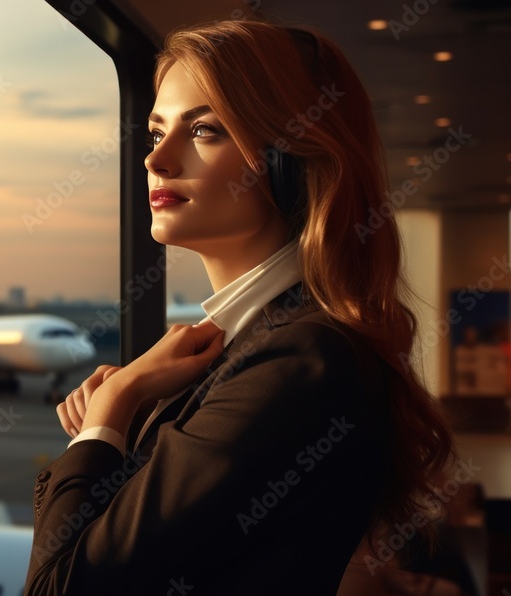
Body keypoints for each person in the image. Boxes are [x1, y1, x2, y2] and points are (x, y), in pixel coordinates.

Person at [25, 19, 454, 595]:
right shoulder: (260, 342)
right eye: (156, 134)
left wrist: (113, 407)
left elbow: (61, 587)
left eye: (204, 130)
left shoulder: (302, 361)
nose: (157, 161)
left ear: (288, 160)